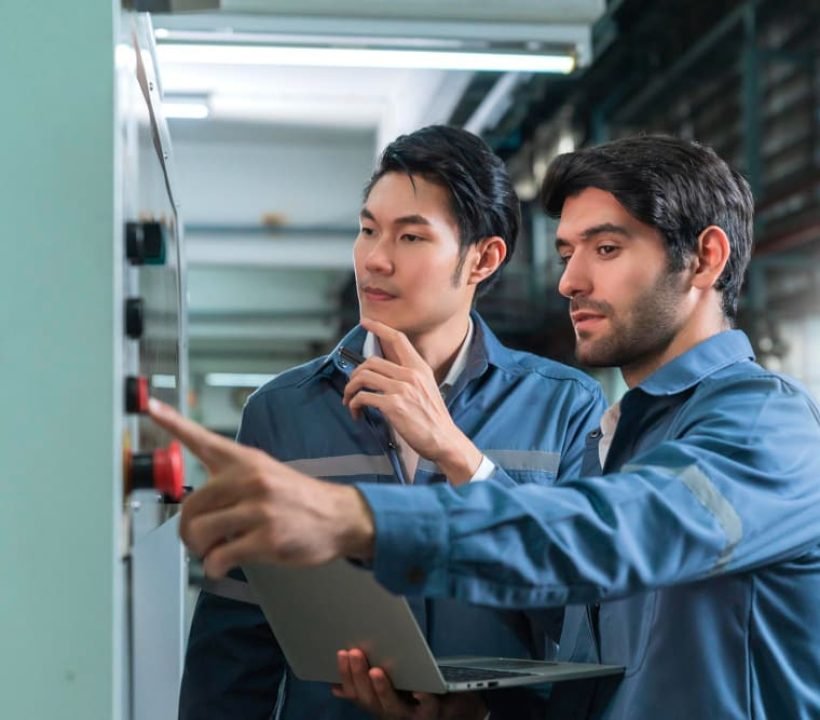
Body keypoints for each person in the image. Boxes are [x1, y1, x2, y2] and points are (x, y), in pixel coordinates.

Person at [150, 133, 820, 719]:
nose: (569, 282)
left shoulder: (766, 425)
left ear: (704, 258)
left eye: (607, 248)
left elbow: (609, 534)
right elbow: (599, 672)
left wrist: (361, 517)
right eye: (566, 253)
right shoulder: (631, 437)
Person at [175, 125, 606, 720]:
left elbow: (585, 614)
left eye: (410, 236)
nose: (374, 259)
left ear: (483, 257)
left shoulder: (564, 407)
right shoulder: (281, 412)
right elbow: (232, 645)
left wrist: (460, 455)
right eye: (368, 228)